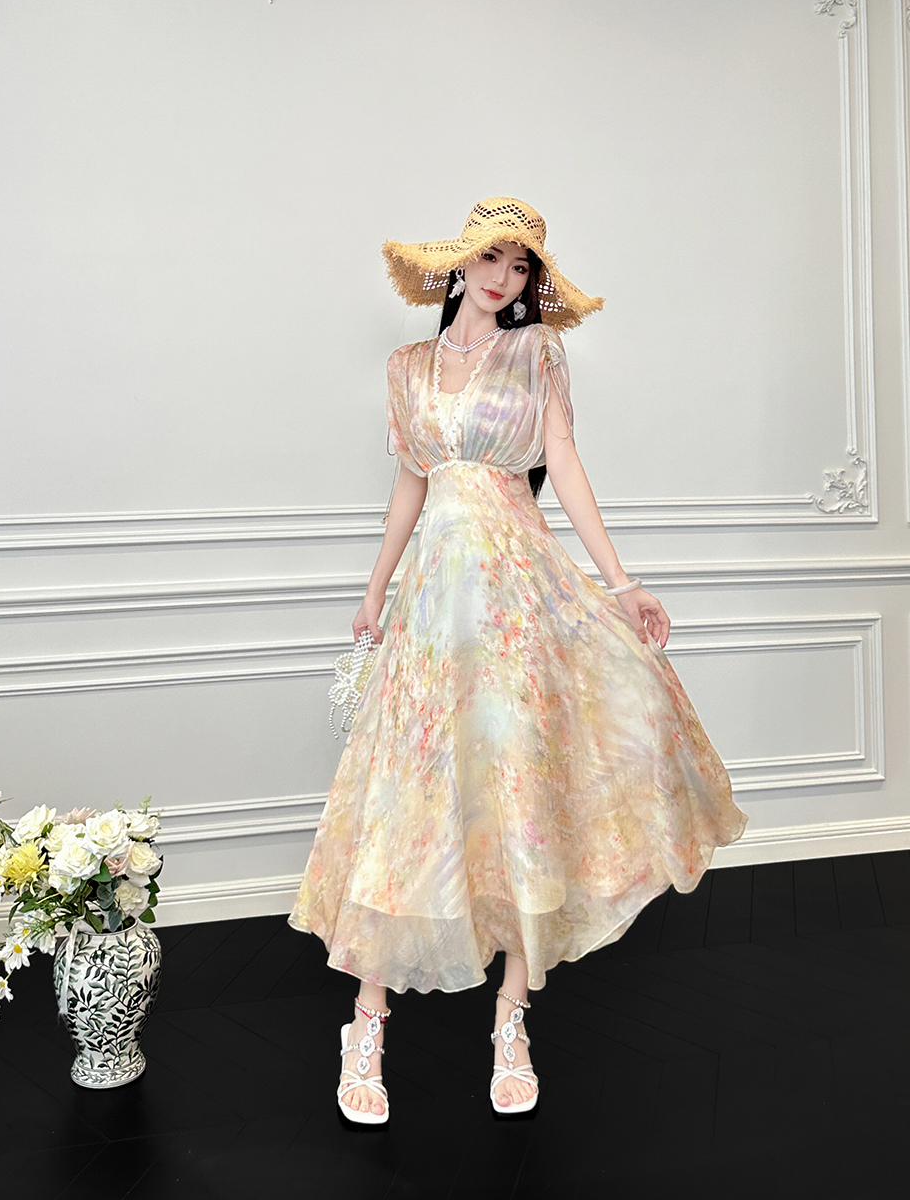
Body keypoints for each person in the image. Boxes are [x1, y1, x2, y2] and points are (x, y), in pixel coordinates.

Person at [288, 197, 748, 1124]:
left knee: (520, 787)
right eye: (492, 258)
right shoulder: (407, 367)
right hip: (433, 603)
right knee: (409, 794)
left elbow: (564, 464)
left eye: (522, 265)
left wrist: (623, 583)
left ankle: (511, 1016)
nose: (504, 277)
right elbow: (410, 483)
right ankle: (365, 1023)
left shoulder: (538, 352)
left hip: (517, 593)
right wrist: (376, 588)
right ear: (459, 264)